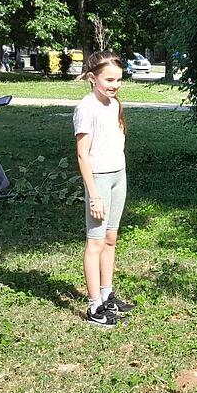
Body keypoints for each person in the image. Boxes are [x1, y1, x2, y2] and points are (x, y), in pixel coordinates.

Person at [73, 51, 134, 327]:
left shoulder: (114, 104)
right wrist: (94, 195)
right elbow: (82, 155)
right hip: (98, 179)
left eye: (119, 80)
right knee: (95, 242)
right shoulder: (86, 108)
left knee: (110, 239)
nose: (114, 85)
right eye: (109, 79)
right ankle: (94, 305)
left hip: (118, 175)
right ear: (92, 78)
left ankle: (107, 295)